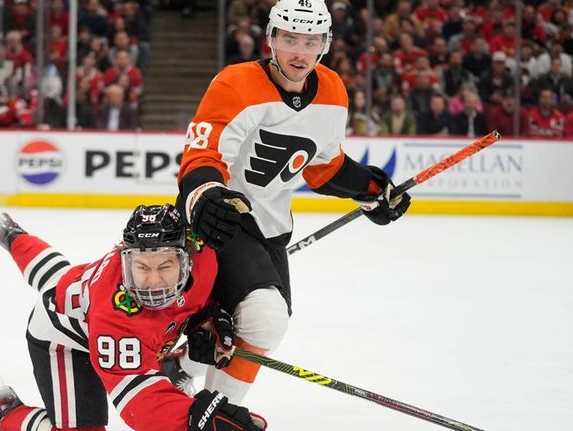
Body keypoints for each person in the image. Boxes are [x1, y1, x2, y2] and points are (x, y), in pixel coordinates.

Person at [165, 0, 411, 405]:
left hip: (272, 227)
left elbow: (322, 167)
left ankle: (183, 368)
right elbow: (202, 155)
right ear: (271, 38)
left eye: (311, 40)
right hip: (222, 220)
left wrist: (369, 189)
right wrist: (207, 194)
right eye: (290, 38)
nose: (300, 51)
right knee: (264, 318)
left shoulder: (332, 90)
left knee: (254, 326)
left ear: (325, 43)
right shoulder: (235, 83)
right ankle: (218, 413)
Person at [0, 204, 267, 431]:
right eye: (141, 267)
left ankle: (171, 364)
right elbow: (140, 405)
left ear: (188, 259)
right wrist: (196, 418)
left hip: (73, 287)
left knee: (58, 278)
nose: (153, 281)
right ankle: (1, 412)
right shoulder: (116, 319)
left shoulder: (205, 261)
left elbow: (54, 273)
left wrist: (206, 319)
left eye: (165, 266)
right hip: (63, 340)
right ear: (125, 259)